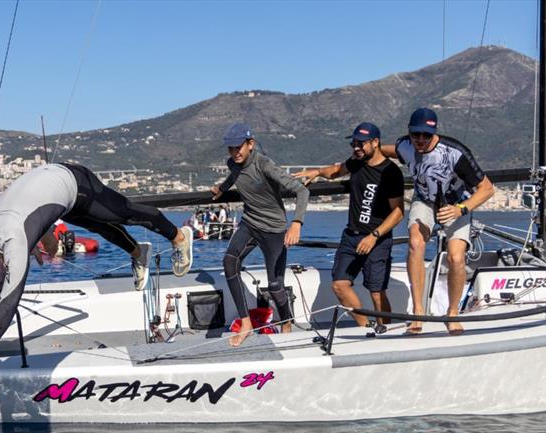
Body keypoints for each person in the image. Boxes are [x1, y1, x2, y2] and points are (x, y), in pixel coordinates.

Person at [0, 163, 193, 386]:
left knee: (123, 213)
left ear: (6, 265)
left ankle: (178, 236)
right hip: (49, 190)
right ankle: (138, 253)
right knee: (97, 226)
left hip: (74, 181)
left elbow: (9, 301)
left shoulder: (15, 243)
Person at [381, 108, 494, 335]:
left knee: (455, 257)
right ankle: (418, 310)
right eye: (416, 135)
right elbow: (387, 151)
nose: (420, 140)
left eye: (426, 135)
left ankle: (452, 314)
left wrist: (460, 210)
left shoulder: (455, 154)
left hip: (457, 204)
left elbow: (487, 189)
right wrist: (364, 152)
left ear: (434, 133)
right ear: (409, 134)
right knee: (415, 243)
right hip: (424, 200)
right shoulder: (405, 146)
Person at [294, 122, 404, 332]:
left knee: (377, 292)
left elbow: (398, 212)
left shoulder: (390, 172)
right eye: (353, 143)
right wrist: (316, 172)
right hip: (351, 236)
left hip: (377, 239)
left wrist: (373, 236)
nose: (356, 148)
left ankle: (386, 333)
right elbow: (335, 171)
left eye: (361, 144)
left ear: (375, 142)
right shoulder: (356, 161)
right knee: (339, 285)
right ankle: (366, 328)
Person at [211, 123, 310, 347]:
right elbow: (235, 175)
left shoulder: (264, 164)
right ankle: (246, 323)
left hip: (274, 230)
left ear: (250, 144)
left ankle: (286, 321)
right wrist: (221, 189)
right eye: (230, 149)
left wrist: (296, 223)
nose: (234, 153)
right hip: (249, 224)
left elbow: (302, 190)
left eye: (238, 147)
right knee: (229, 262)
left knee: (275, 286)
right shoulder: (232, 163)